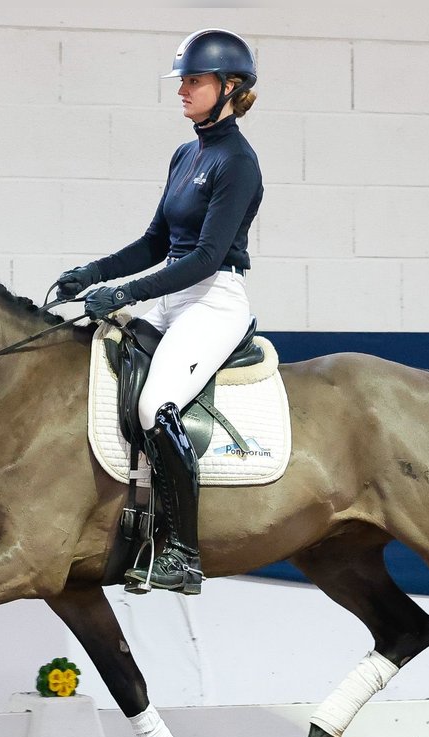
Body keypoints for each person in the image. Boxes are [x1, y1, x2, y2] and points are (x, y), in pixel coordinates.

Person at [56, 29, 263, 595]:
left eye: (194, 81)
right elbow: (155, 243)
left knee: (156, 404)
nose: (183, 91)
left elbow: (204, 258)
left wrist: (124, 295)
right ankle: (129, 521)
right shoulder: (186, 153)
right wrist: (93, 274)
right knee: (100, 368)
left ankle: (181, 552)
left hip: (212, 300)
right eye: (184, 81)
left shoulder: (237, 163)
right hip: (172, 297)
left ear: (230, 87)